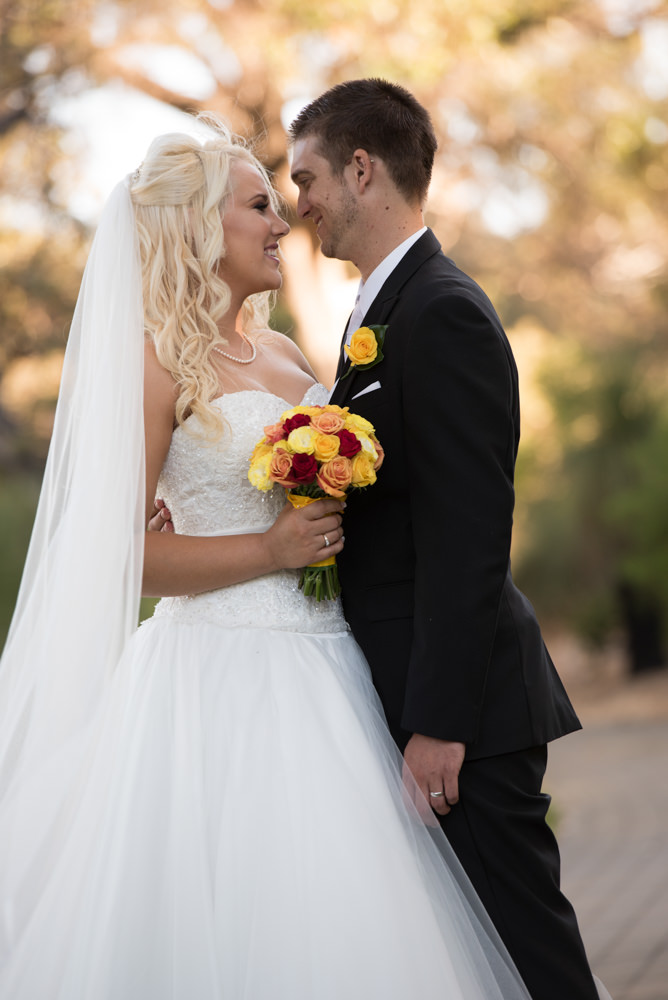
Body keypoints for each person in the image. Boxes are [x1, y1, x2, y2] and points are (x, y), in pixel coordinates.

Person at [0, 120, 535, 998]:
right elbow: (117, 558)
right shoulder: (158, 365)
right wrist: (266, 546)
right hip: (218, 677)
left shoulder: (288, 353)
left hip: (331, 666)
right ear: (200, 228)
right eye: (259, 205)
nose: (285, 221)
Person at [284, 78, 605, 1000]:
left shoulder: (442, 311)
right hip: (415, 699)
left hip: (467, 717)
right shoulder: (375, 313)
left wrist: (439, 725)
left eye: (307, 178)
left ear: (361, 168)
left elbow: (470, 540)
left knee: (531, 960)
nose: (300, 204)